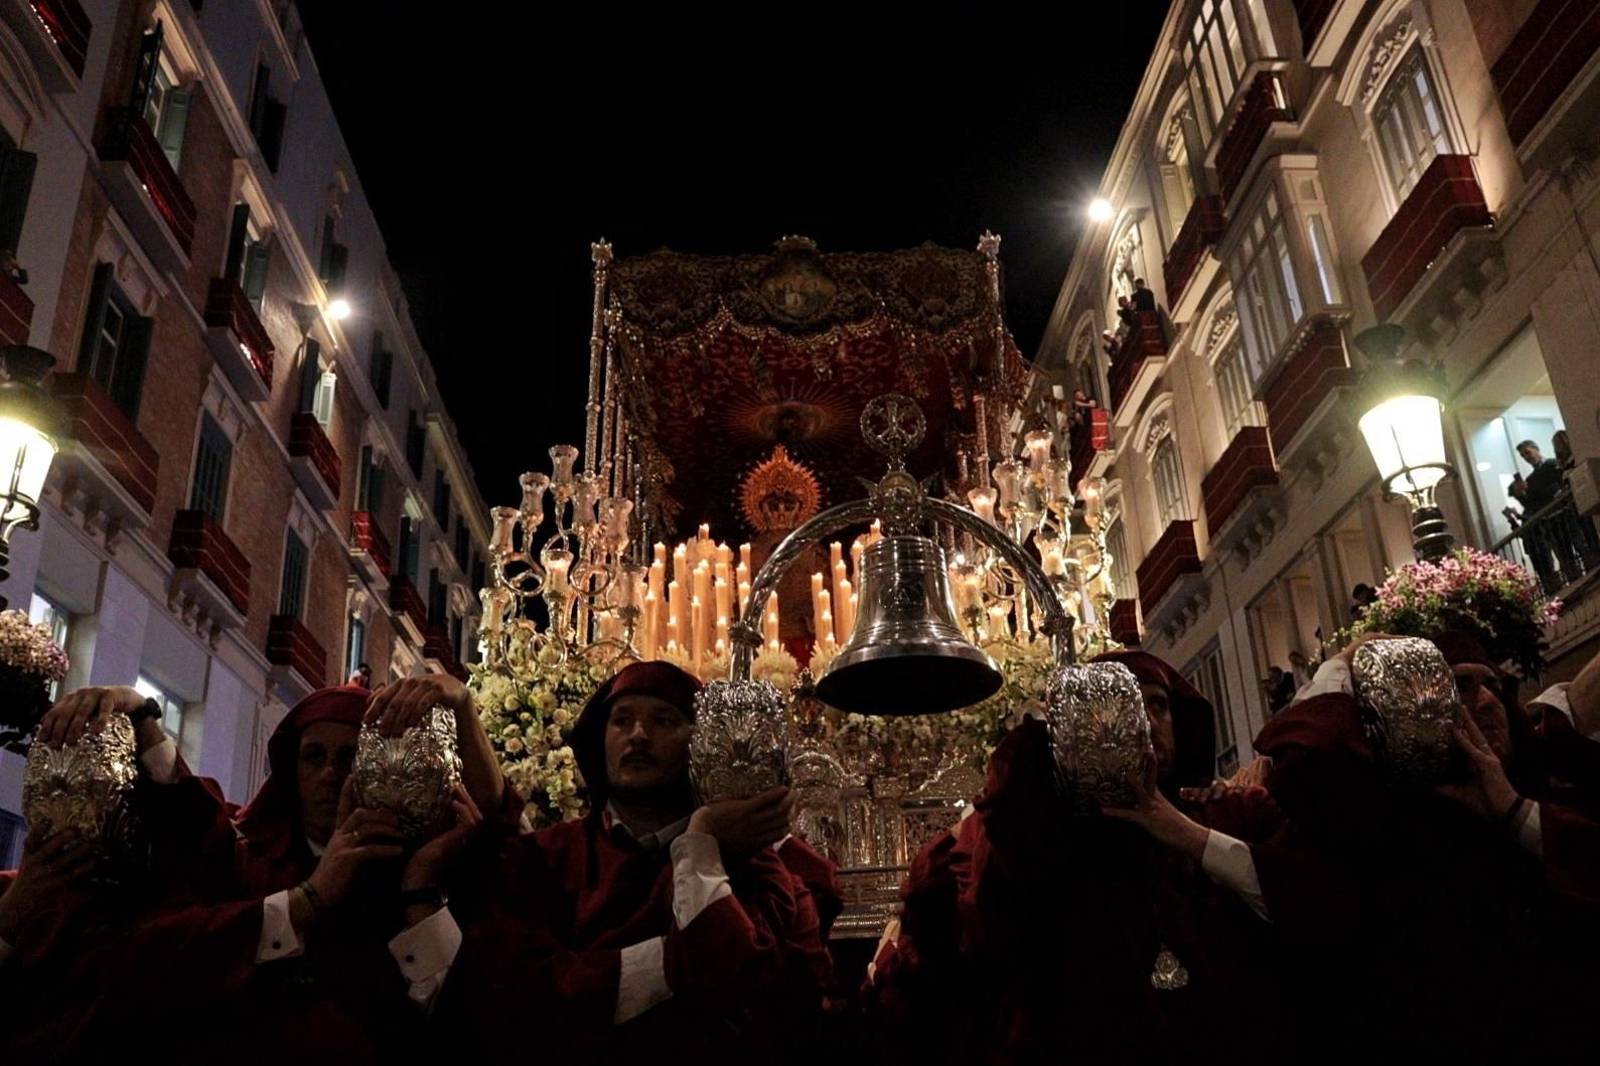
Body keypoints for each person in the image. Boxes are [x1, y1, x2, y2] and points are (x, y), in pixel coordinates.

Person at [869, 650, 1289, 1061]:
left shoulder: (1223, 812)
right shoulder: (1038, 828)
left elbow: (1299, 901)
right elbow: (988, 932)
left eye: (1156, 705)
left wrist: (1182, 828)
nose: (1142, 722)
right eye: (1120, 707)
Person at [427, 661, 831, 1056]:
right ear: (600, 739)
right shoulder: (546, 858)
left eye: (663, 721)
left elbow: (766, 1005)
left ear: (701, 744)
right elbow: (510, 993)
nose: (638, 735)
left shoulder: (758, 872)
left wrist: (702, 840)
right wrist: (677, 967)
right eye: (622, 720)